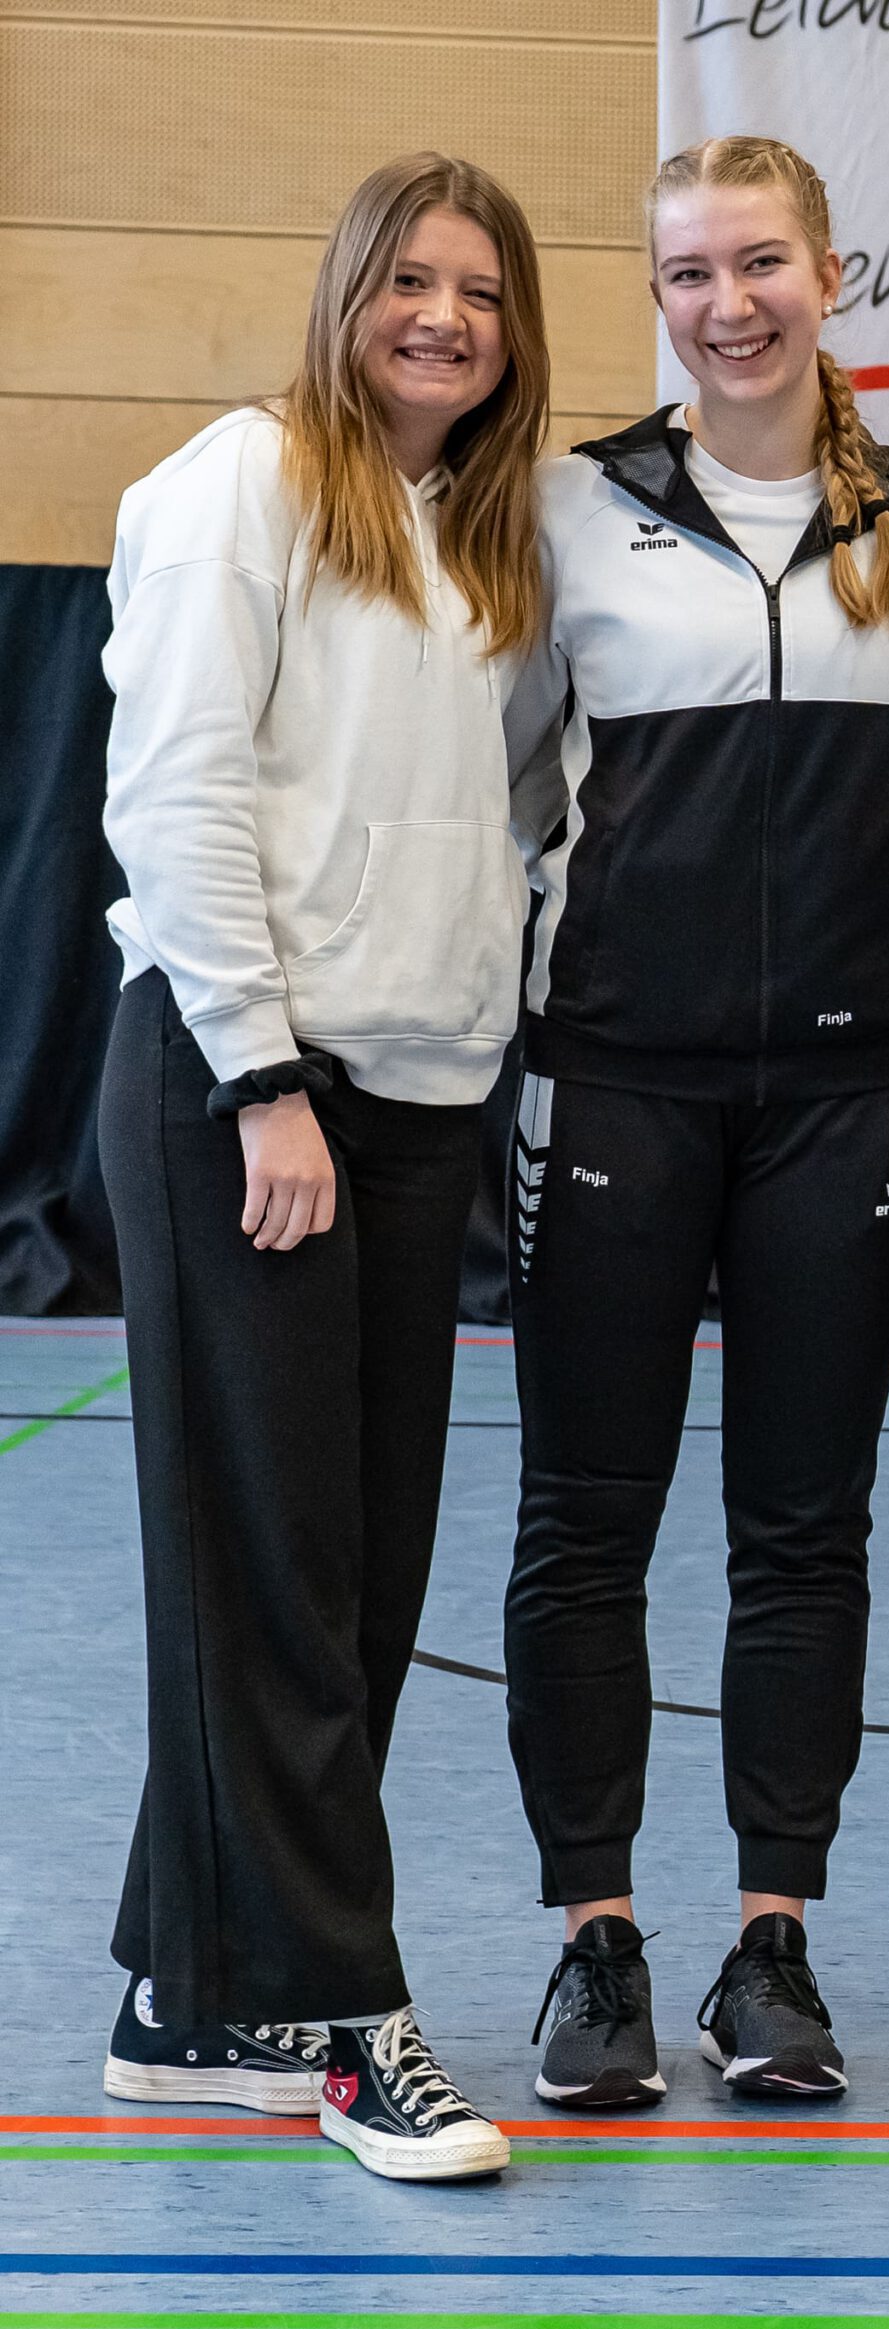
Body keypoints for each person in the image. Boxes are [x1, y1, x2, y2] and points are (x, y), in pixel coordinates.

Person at [501, 134, 889, 2108]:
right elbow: (509, 784)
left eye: (759, 263)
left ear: (833, 276)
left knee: (803, 1528)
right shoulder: (566, 512)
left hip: (837, 1106)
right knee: (586, 1519)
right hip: (614, 1082)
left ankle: (770, 1944)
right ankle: (591, 1940)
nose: (728, 303)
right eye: (687, 273)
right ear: (661, 301)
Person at [95, 151, 546, 2182]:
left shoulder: (478, 538)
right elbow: (175, 793)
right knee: (278, 1574)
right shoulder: (238, 488)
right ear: (349, 288)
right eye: (411, 281)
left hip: (413, 1107)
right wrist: (261, 1075)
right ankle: (352, 2020)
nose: (443, 315)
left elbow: (506, 806)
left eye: (482, 291)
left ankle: (189, 1995)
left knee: (347, 1584)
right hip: (244, 1095)